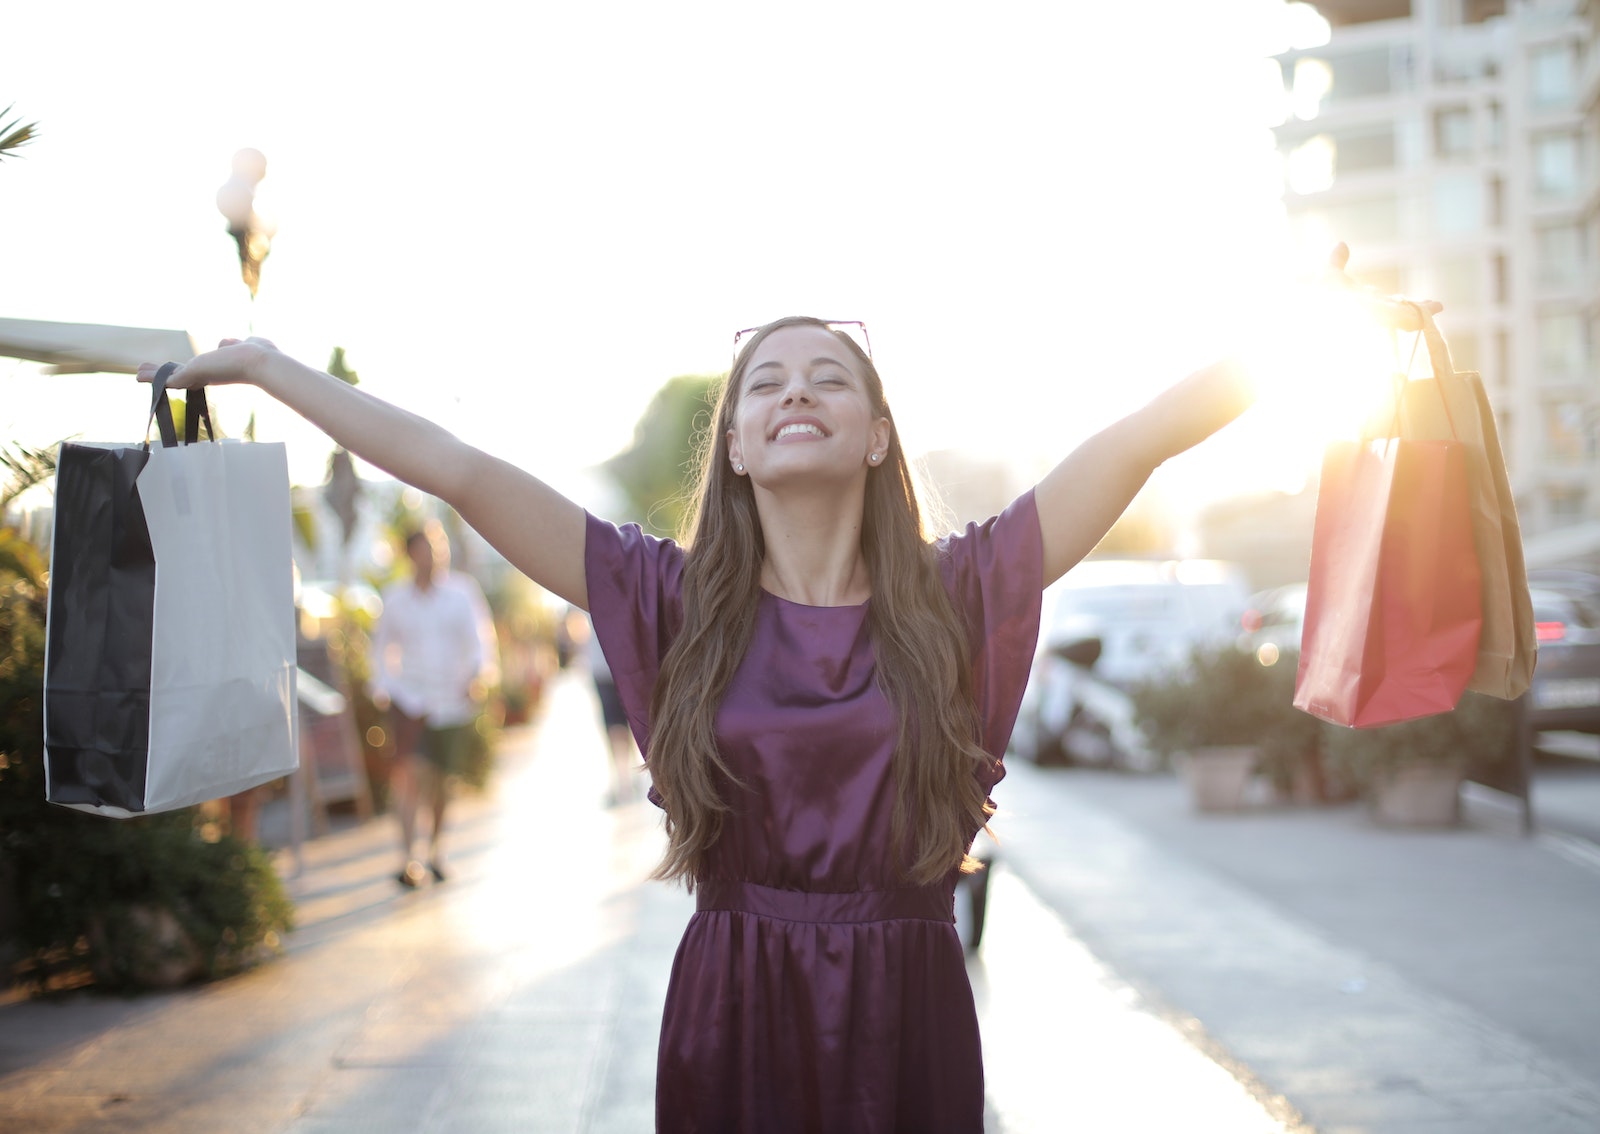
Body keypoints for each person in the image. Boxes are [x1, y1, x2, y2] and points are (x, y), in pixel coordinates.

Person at [139, 250, 1437, 1131]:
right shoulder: (662, 597)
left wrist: (1309, 339)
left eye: (831, 377)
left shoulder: (964, 589)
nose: (796, 390)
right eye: (767, 380)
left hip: (913, 994)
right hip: (733, 993)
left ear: (878, 436)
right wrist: (268, 369)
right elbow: (463, 472)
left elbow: (1137, 439)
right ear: (742, 445)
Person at [370, 521, 499, 887]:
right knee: (410, 778)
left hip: (451, 705)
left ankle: (436, 852)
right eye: (425, 548)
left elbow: (480, 643)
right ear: (410, 554)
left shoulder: (461, 593)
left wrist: (476, 677)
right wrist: (388, 690)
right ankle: (408, 859)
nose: (433, 555)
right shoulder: (395, 599)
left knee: (441, 784)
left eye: (437, 547)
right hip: (411, 705)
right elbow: (380, 651)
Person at [584, 615, 639, 805]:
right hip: (613, 664)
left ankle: (626, 778)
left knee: (619, 726)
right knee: (619, 725)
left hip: (618, 664)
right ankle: (626, 777)